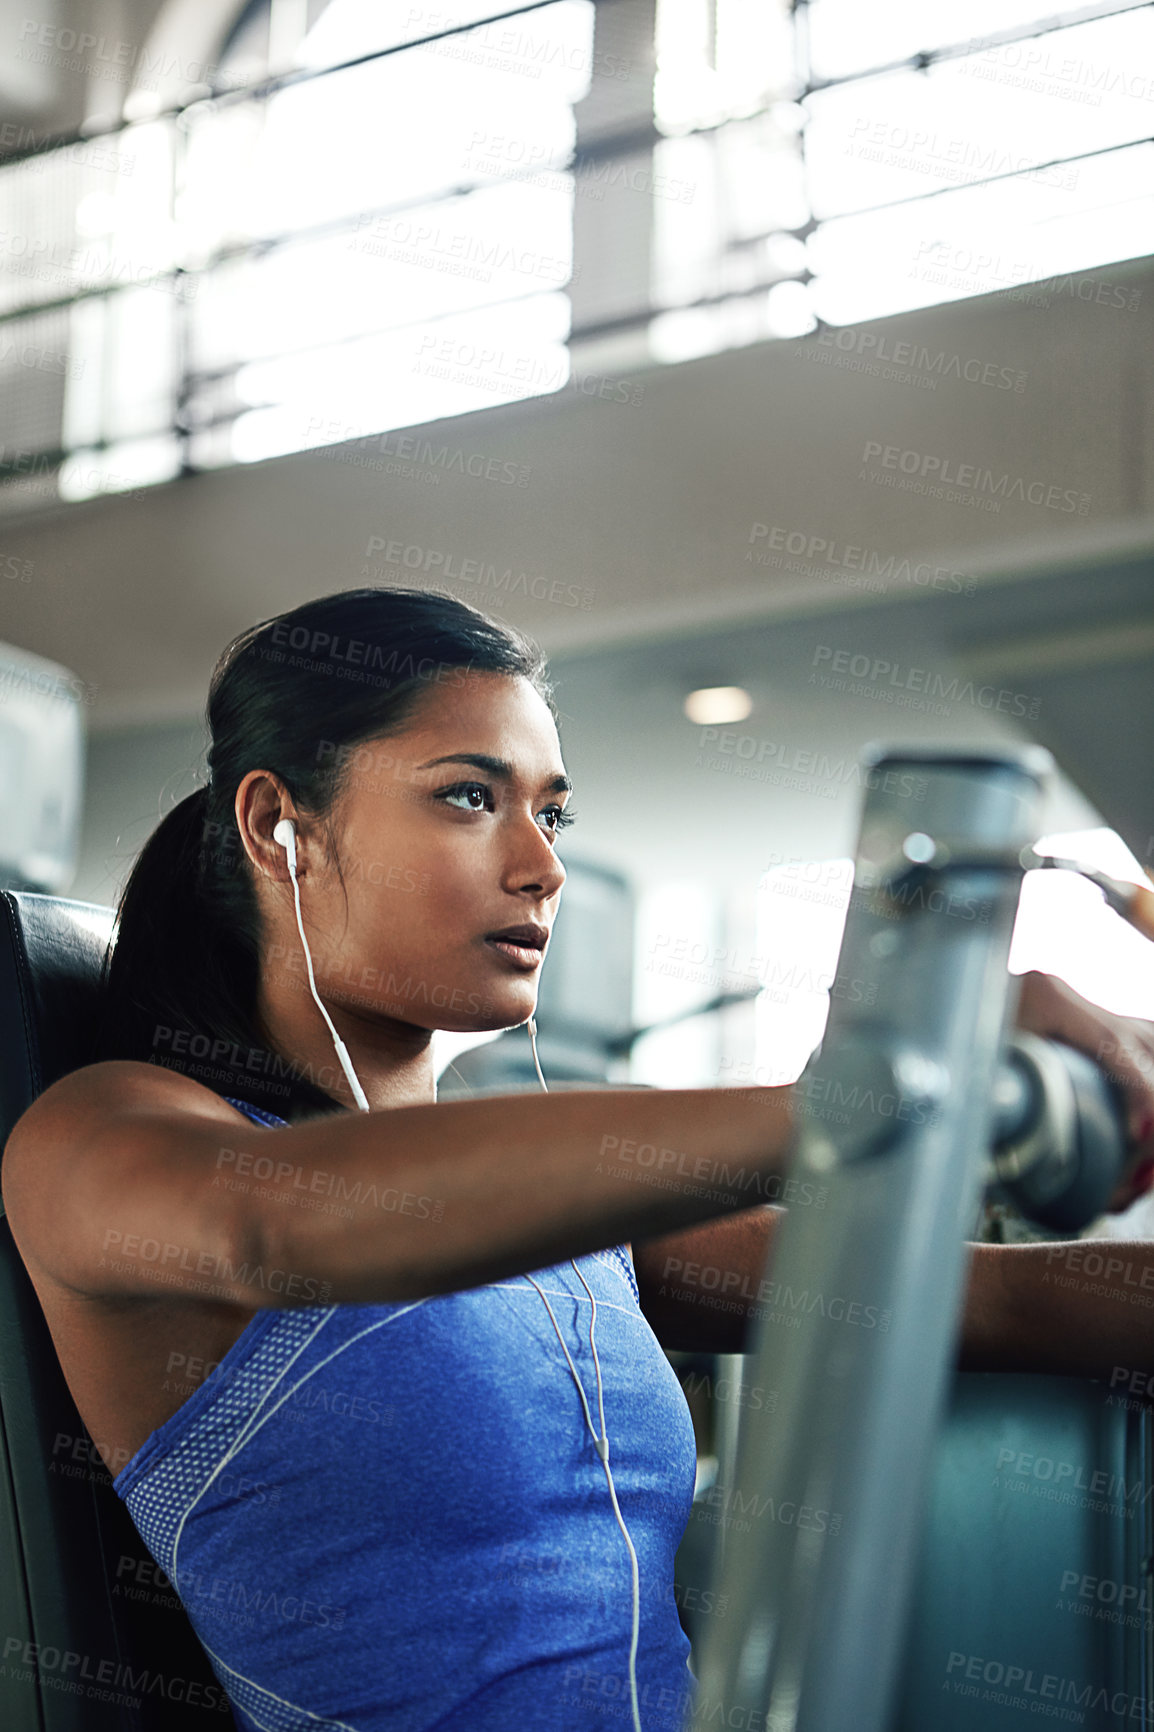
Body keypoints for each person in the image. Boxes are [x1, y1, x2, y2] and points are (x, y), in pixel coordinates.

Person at [3, 586, 1154, 1732]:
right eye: (467, 796)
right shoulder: (101, 1135)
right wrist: (882, 1083)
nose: (540, 865)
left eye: (550, 814)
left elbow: (996, 1303)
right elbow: (286, 1227)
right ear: (275, 824)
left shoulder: (574, 1227)